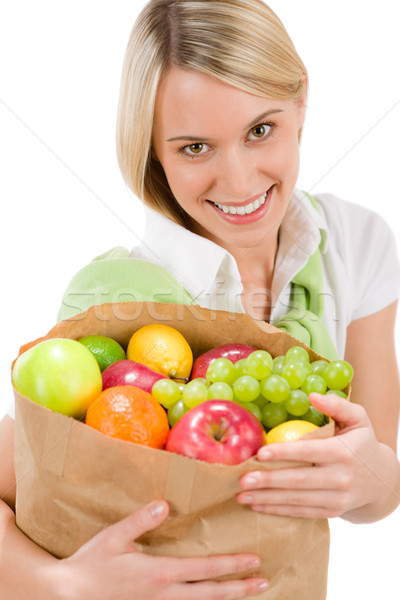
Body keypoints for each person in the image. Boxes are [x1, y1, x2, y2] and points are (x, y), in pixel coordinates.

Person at [1, 0, 400, 598]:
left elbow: (374, 489)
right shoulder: (115, 299)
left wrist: (372, 478)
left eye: (260, 130)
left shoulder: (356, 242)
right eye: (194, 148)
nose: (239, 183)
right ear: (153, 151)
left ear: (301, 100)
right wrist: (58, 586)